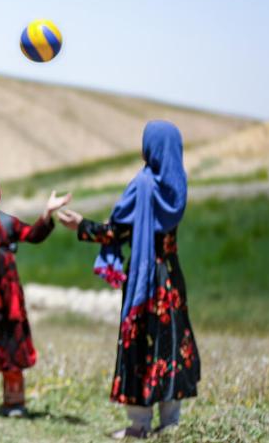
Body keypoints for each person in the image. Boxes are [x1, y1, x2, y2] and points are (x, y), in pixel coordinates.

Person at [57, 121, 200, 439]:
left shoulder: (143, 185)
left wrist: (82, 225)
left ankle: (139, 425)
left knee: (139, 344)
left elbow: (117, 231)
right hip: (171, 278)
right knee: (170, 344)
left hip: (144, 279)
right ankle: (171, 423)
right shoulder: (177, 185)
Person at [0, 170, 70, 416]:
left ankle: (14, 402)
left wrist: (47, 212)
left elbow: (33, 235)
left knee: (12, 343)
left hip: (8, 294)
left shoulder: (6, 221)